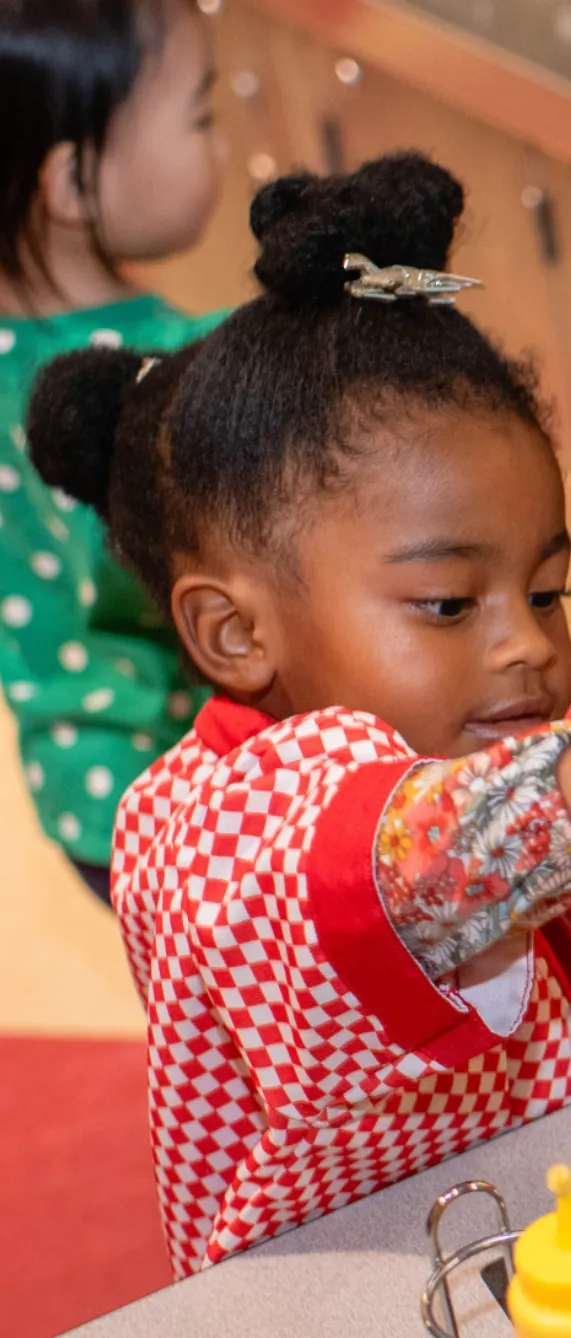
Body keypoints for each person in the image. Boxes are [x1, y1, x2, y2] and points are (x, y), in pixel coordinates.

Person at [26, 153, 571, 1277]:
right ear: (234, 634)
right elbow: (418, 863)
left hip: (558, 1249)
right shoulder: (202, 832)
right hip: (377, 1325)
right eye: (448, 602)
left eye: (548, 592)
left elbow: (488, 921)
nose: (526, 644)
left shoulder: (460, 770)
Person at [0, 0, 225, 904]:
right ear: (70, 183)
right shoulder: (144, 375)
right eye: (201, 116)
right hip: (177, 788)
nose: (219, 145)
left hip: (78, 786)